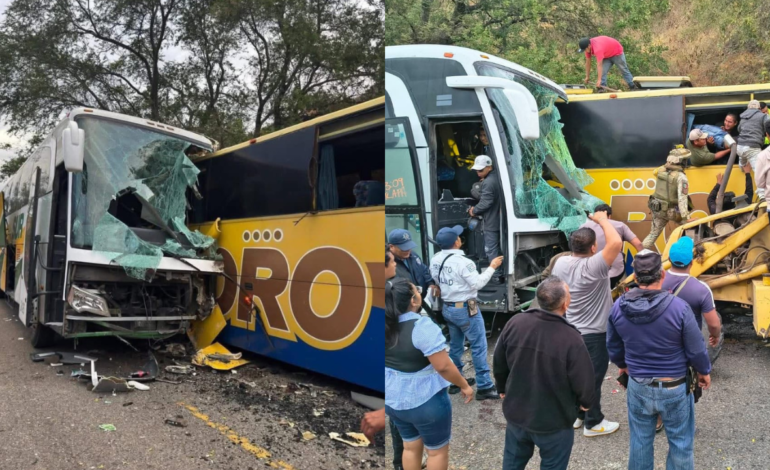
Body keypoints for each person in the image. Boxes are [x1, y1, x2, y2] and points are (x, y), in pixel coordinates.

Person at [607, 250, 712, 470]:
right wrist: (704, 371)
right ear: (662, 275)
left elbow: (613, 346)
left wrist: (624, 366)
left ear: (635, 278)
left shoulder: (618, 307)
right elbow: (696, 349)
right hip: (675, 387)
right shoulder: (679, 308)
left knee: (640, 442)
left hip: (638, 385)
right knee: (681, 444)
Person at [493, 276, 595, 470]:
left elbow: (499, 360)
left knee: (512, 463)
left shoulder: (516, 322)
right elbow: (584, 379)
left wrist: (502, 386)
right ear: (565, 304)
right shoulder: (571, 338)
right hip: (554, 420)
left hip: (517, 414)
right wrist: (586, 403)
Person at [385, 278, 474, 470]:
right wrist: (464, 385)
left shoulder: (382, 325)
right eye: (416, 291)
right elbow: (443, 366)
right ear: (413, 301)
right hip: (425, 402)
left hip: (394, 400)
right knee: (436, 452)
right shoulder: (421, 327)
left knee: (409, 448)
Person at [552, 210, 623, 436]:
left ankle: (577, 414)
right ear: (593, 248)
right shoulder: (595, 266)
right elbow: (616, 242)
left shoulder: (561, 264)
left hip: (569, 330)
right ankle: (593, 422)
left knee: (574, 374)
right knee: (592, 378)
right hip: (594, 334)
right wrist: (602, 219)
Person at [429, 225, 504, 400]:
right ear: (456, 242)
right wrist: (492, 267)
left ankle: (456, 381)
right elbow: (477, 284)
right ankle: (485, 386)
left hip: (448, 307)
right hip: (465, 309)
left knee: (456, 345)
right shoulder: (464, 263)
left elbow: (435, 279)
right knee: (478, 346)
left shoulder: (435, 259)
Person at [579, 203, 644, 287]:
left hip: (591, 272)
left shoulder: (584, 226)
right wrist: (643, 264)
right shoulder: (620, 225)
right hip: (615, 272)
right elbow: (638, 244)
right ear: (609, 216)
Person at [642, 148, 693, 250]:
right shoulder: (681, 177)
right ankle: (688, 254)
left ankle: (640, 257)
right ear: (681, 161)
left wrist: (669, 162)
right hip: (672, 211)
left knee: (652, 235)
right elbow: (682, 199)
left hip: (657, 208)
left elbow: (655, 171)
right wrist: (687, 219)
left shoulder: (660, 170)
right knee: (691, 229)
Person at [468, 155, 503, 283]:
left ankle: (496, 276)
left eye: (481, 170)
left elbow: (486, 202)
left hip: (492, 222)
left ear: (489, 167)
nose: (478, 173)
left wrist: (474, 211)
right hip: (499, 221)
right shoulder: (497, 177)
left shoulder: (488, 182)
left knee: (491, 249)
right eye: (476, 170)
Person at [388, 229, 438, 296]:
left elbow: (424, 270)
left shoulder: (413, 255)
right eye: (404, 248)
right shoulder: (388, 264)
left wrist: (430, 284)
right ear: (391, 247)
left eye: (409, 246)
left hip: (421, 301)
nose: (408, 250)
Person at [737, 100, 767, 172]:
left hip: (740, 147)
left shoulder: (743, 117)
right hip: (753, 147)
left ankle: (743, 169)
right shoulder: (763, 116)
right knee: (759, 172)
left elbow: (739, 129)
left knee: (743, 164)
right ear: (759, 108)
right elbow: (768, 127)